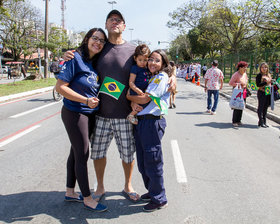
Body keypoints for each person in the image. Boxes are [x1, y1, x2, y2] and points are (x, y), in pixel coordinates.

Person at [63, 10, 176, 203]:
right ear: (106, 25)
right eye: (111, 20)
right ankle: (100, 187)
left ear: (124, 26)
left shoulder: (134, 51)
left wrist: (172, 76)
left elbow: (157, 64)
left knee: (128, 153)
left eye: (119, 20)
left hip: (127, 115)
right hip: (100, 114)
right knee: (98, 153)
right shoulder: (99, 48)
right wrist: (67, 54)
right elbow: (81, 58)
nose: (115, 22)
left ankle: (128, 185)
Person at [55, 28, 108, 212]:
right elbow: (60, 87)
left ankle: (70, 192)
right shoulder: (75, 58)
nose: (98, 43)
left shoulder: (93, 63)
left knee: (75, 152)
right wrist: (85, 100)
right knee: (82, 154)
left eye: (102, 41)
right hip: (75, 112)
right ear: (87, 39)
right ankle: (87, 198)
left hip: (88, 114)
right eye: (95, 38)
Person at [127, 49, 170, 212]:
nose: (152, 62)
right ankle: (152, 191)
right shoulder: (151, 76)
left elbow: (145, 98)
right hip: (141, 122)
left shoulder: (161, 77)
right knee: (143, 161)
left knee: (153, 161)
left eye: (157, 60)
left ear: (163, 64)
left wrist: (128, 97)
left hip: (151, 123)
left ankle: (159, 198)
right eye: (150, 59)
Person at [127, 44, 151, 125]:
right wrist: (137, 90)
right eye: (140, 60)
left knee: (143, 104)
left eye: (145, 60)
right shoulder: (135, 68)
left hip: (143, 91)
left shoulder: (147, 69)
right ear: (135, 58)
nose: (142, 62)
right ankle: (131, 115)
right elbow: (131, 82)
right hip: (135, 91)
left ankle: (135, 115)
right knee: (140, 104)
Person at [229, 61, 249, 127]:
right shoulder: (236, 74)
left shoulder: (245, 74)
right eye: (244, 67)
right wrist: (239, 84)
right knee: (236, 106)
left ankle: (239, 120)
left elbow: (246, 81)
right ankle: (234, 121)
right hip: (237, 92)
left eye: (246, 67)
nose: (245, 69)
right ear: (240, 68)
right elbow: (230, 83)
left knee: (241, 106)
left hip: (243, 92)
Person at [256, 62, 272, 128]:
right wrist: (266, 82)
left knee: (265, 108)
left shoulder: (269, 75)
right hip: (261, 92)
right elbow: (258, 85)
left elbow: (270, 83)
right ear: (260, 68)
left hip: (268, 93)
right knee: (261, 107)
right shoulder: (259, 75)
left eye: (265, 67)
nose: (264, 68)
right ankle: (261, 121)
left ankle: (264, 122)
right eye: (262, 67)